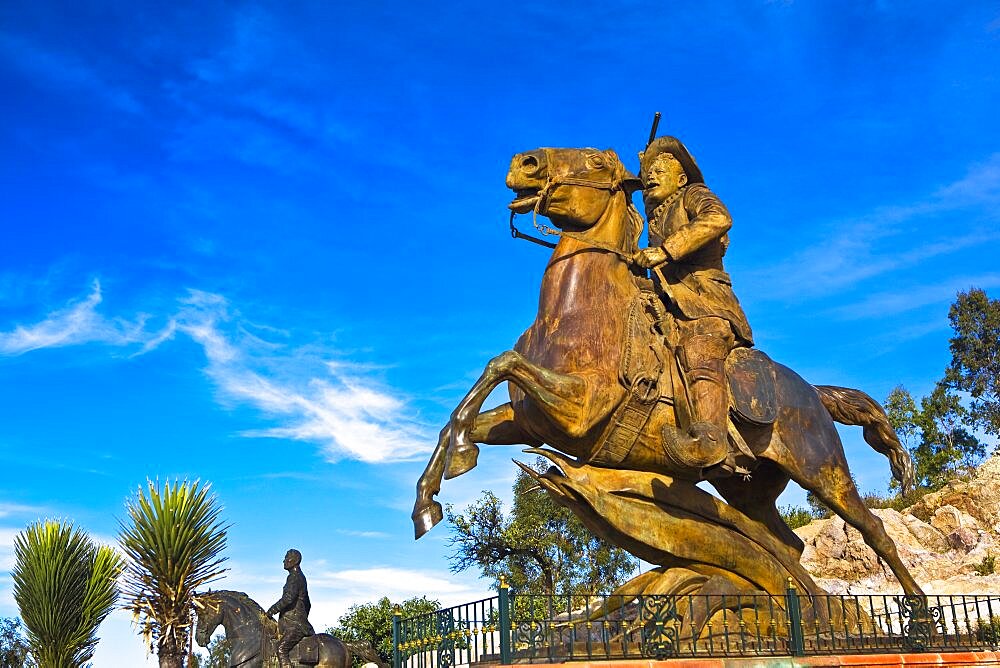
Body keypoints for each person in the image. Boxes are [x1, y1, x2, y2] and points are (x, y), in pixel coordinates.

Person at [633, 136, 754, 476]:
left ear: (681, 179)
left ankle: (710, 439)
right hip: (671, 304)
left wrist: (666, 250)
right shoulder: (656, 214)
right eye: (648, 173)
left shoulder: (693, 195)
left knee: (699, 347)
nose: (651, 176)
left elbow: (718, 219)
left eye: (660, 170)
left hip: (705, 305)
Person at [267, 548, 316, 668]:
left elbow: (288, 598)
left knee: (281, 649)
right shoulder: (299, 577)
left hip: (295, 625)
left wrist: (272, 610)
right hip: (297, 622)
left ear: (295, 560)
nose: (284, 560)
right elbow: (308, 603)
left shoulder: (294, 577)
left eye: (286, 557)